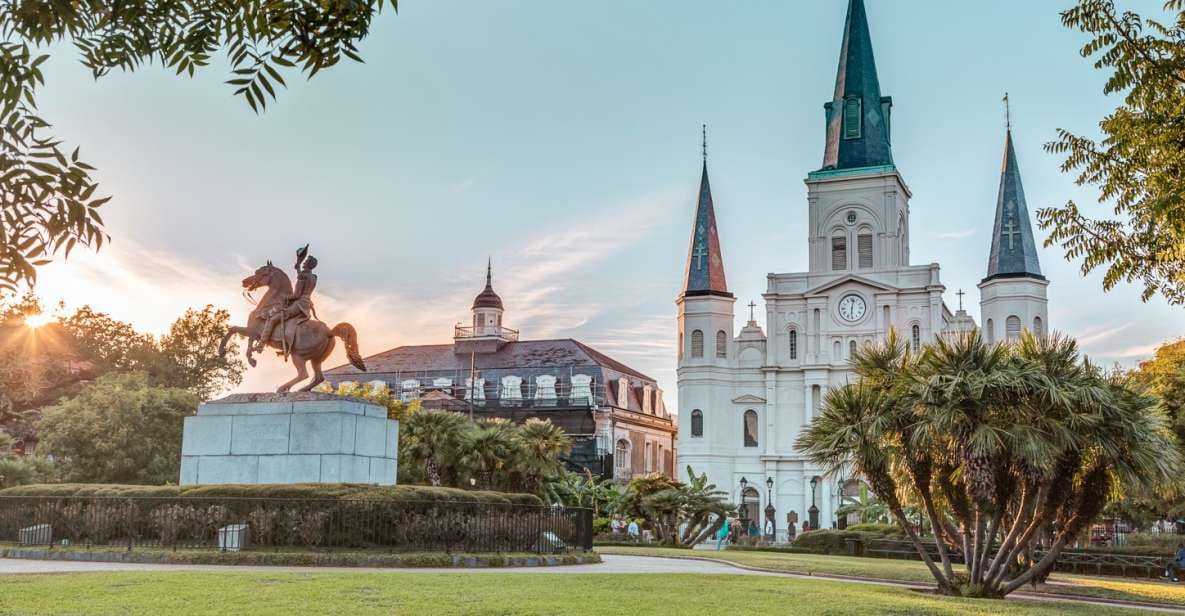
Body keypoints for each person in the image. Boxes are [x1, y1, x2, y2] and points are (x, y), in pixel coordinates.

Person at [257, 244, 318, 355]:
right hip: (307, 304)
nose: (304, 262)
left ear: (308, 264)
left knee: (272, 319)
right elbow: (304, 281)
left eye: (306, 261)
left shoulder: (303, 276)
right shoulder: (314, 277)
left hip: (298, 305)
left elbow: (296, 295)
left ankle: (261, 345)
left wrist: (285, 297)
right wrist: (298, 269)